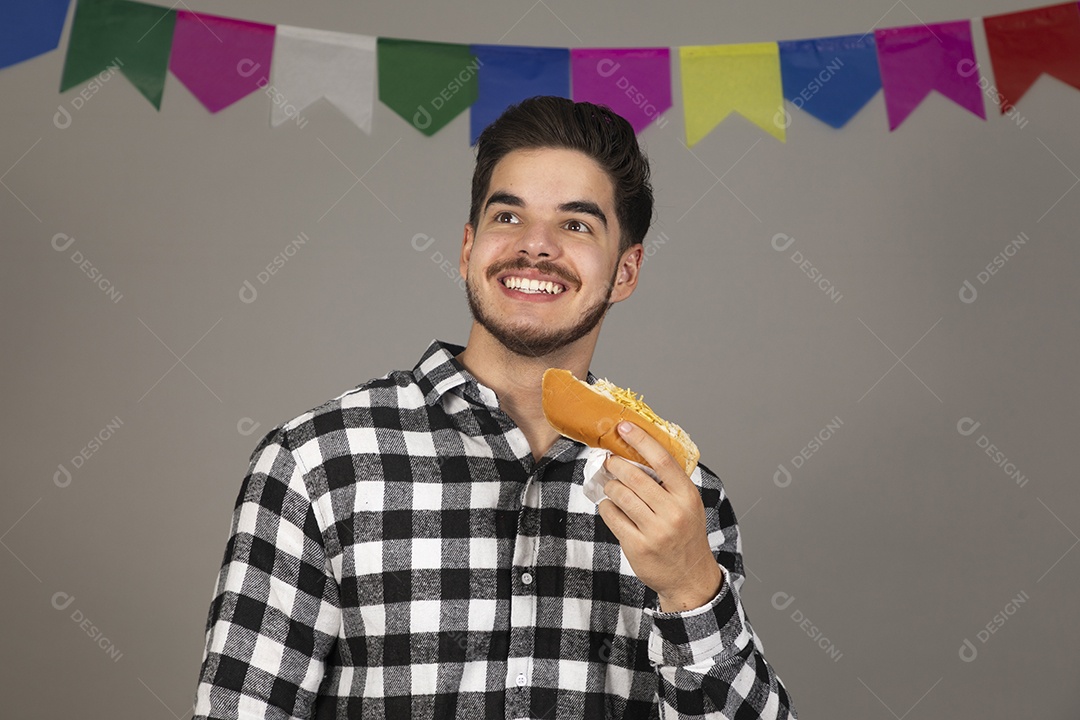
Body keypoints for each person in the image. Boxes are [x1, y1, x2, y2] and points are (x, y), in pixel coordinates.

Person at [193, 96, 796, 719]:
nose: (535, 247)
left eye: (577, 224)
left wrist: (693, 589)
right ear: (467, 247)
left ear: (625, 271)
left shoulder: (681, 495)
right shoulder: (316, 464)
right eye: (508, 216)